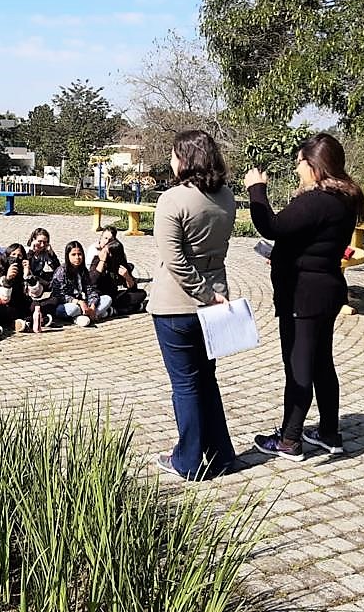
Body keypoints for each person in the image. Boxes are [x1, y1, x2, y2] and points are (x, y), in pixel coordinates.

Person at [244, 132, 364, 461]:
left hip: (304, 296)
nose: (297, 169)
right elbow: (312, 241)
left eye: (299, 163)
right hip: (325, 290)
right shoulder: (344, 198)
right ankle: (328, 433)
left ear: (314, 165)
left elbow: (271, 225)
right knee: (321, 364)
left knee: (298, 367)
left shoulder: (317, 199)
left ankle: (289, 439)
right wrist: (286, 254)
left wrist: (257, 189)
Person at [149, 130, 237, 480]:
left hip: (177, 304)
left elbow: (176, 260)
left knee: (185, 384)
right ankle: (221, 455)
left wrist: (202, 293)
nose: (170, 162)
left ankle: (186, 460)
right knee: (207, 381)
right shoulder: (227, 196)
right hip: (216, 299)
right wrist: (213, 294)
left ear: (185, 159)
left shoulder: (173, 199)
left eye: (174, 155)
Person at [88, 226, 148, 315]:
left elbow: (132, 288)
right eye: (105, 238)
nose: (106, 242)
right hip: (99, 296)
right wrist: (102, 262)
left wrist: (127, 276)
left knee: (141, 294)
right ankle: (129, 309)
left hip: (114, 295)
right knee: (107, 299)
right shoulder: (97, 258)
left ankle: (113, 311)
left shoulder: (119, 263)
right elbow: (92, 281)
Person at [51, 240, 113, 326]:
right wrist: (78, 302)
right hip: (67, 305)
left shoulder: (83, 270)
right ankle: (90, 316)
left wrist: (92, 306)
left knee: (107, 299)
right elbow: (58, 294)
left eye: (79, 254)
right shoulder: (61, 271)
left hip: (83, 303)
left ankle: (88, 314)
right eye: (73, 254)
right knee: (72, 309)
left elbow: (90, 290)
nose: (77, 257)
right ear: (67, 256)